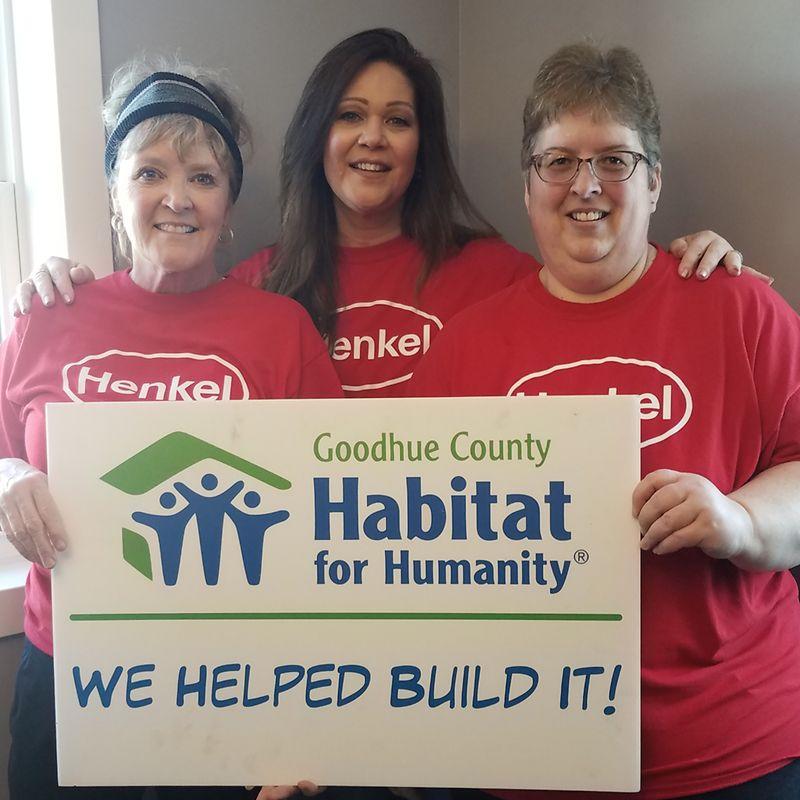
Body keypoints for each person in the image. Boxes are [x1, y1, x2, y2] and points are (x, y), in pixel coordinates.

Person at [411, 42, 800, 799]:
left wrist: (739, 521)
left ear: (654, 183)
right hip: (528, 752)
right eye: (558, 161)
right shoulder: (463, 349)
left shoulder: (743, 308)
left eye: (615, 160)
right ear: (528, 187)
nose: (585, 185)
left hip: (732, 747)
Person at [13, 29, 754, 401]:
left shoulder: (497, 273)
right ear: (318, 137)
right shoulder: (260, 288)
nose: (373, 137)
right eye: (350, 115)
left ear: (421, 144)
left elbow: (596, 314)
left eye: (398, 119)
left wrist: (684, 259)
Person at [0, 58, 341, 800]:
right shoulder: (44, 317)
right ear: (116, 193)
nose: (175, 199)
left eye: (203, 178)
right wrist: (12, 477)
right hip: (68, 671)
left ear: (227, 205)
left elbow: (333, 519)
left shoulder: (282, 333)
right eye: (149, 172)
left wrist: (306, 721)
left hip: (232, 679)